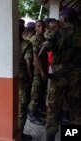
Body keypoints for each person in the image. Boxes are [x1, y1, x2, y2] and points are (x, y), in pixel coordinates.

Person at [39, 8, 81, 141]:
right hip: (77, 78)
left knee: (53, 111)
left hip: (58, 78)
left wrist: (45, 73)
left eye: (61, 19)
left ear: (65, 19)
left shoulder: (57, 33)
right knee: (75, 112)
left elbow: (41, 54)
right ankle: (71, 137)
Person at [28, 20, 47, 126]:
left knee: (41, 92)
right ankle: (31, 114)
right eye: (39, 26)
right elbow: (35, 58)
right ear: (35, 28)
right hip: (37, 71)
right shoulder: (34, 39)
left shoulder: (43, 38)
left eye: (43, 26)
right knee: (35, 93)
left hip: (43, 69)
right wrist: (42, 71)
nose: (41, 28)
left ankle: (37, 111)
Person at [18, 19, 34, 141]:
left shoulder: (6, 43)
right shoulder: (26, 44)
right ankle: (20, 135)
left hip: (8, 81)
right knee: (21, 109)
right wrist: (31, 78)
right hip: (23, 81)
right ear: (23, 30)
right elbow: (29, 63)